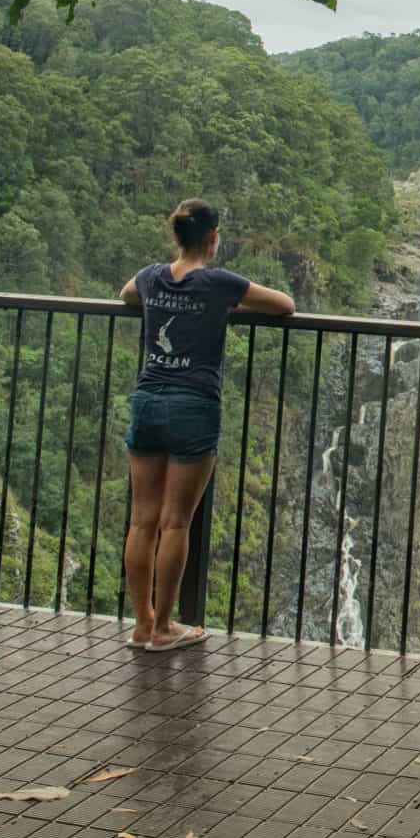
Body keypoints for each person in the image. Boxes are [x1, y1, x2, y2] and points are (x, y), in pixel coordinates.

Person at [118, 198, 294, 651]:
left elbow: (126, 296)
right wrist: (229, 307)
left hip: (147, 400)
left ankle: (141, 624)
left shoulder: (152, 276)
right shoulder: (219, 283)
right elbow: (284, 305)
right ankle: (163, 628)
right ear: (213, 238)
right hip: (193, 407)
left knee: (142, 521)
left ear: (177, 236)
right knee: (176, 523)